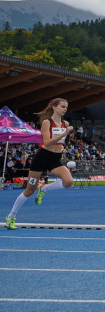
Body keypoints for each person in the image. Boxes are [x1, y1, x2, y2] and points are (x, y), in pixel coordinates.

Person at [6, 98, 75, 230]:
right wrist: (64, 133)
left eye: (66, 107)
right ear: (54, 107)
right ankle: (11, 216)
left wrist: (62, 147)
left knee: (68, 182)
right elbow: (47, 142)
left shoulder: (65, 123)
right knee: (30, 190)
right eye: (63, 106)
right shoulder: (46, 123)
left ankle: (44, 189)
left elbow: (60, 141)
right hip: (42, 157)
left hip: (56, 158)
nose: (65, 109)